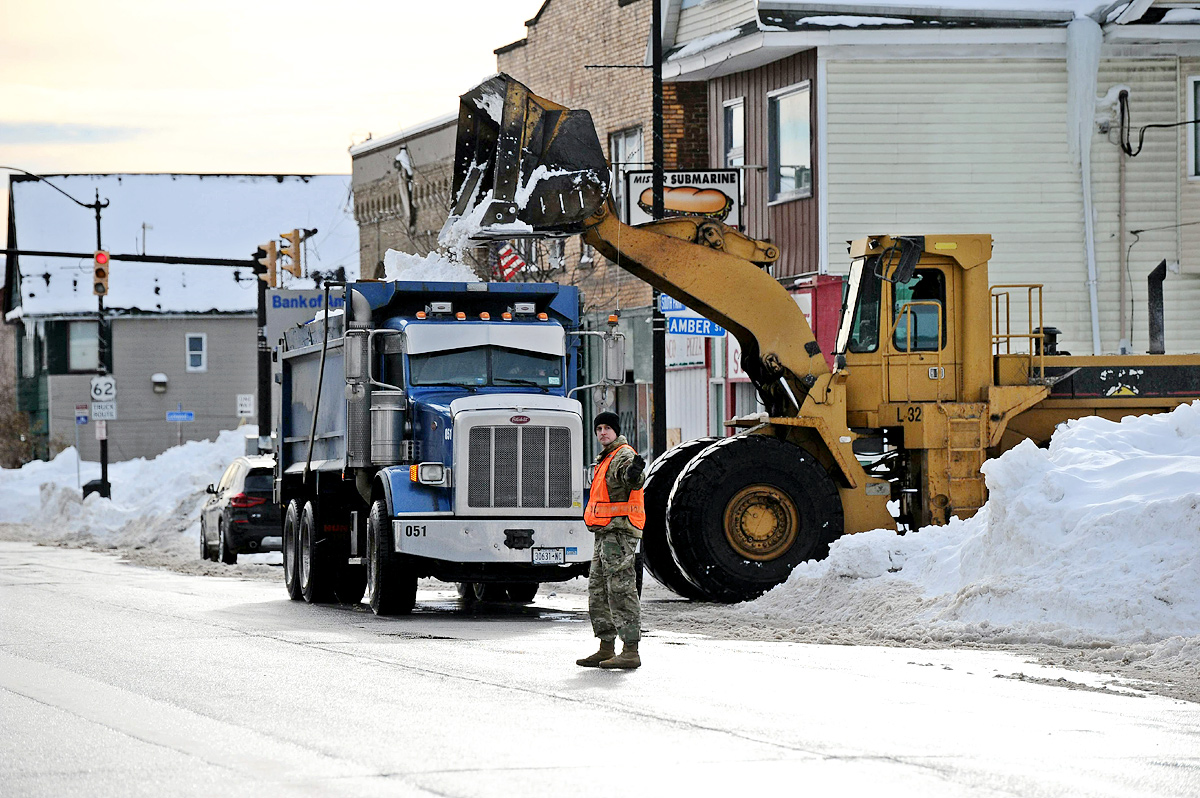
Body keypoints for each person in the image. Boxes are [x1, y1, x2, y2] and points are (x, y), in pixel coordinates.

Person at [577, 411, 646, 670]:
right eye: (599, 429)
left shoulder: (622, 455)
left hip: (619, 533)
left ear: (616, 431)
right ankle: (606, 647)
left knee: (621, 589)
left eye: (607, 428)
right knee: (598, 591)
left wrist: (635, 473)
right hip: (605, 533)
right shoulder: (605, 458)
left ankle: (630, 650)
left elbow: (632, 479)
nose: (603, 432)